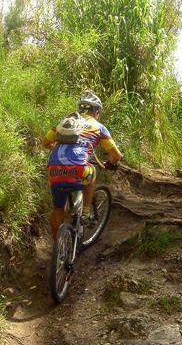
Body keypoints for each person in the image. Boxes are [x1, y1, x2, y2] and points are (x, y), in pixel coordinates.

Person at [43, 91, 123, 239]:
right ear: (96, 112)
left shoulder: (65, 122)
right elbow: (116, 155)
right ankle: (86, 212)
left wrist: (60, 151)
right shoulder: (98, 127)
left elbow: (45, 142)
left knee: (58, 208)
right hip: (80, 169)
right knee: (91, 171)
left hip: (54, 168)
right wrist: (109, 163)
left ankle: (59, 249)